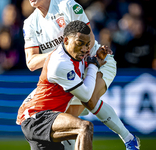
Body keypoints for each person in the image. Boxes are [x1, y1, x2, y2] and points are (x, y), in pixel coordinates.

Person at [22, 0, 140, 149]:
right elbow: (31, 62)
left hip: (97, 61)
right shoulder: (30, 23)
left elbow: (89, 40)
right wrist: (61, 53)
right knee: (69, 121)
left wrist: (85, 61)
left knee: (89, 99)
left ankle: (129, 140)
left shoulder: (67, 5)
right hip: (68, 72)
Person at [17, 20, 105, 150]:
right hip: (37, 118)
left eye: (87, 45)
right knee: (84, 127)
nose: (84, 49)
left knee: (83, 129)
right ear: (66, 41)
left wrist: (95, 60)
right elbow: (86, 95)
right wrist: (93, 65)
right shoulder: (60, 63)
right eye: (79, 43)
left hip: (47, 118)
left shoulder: (75, 56)